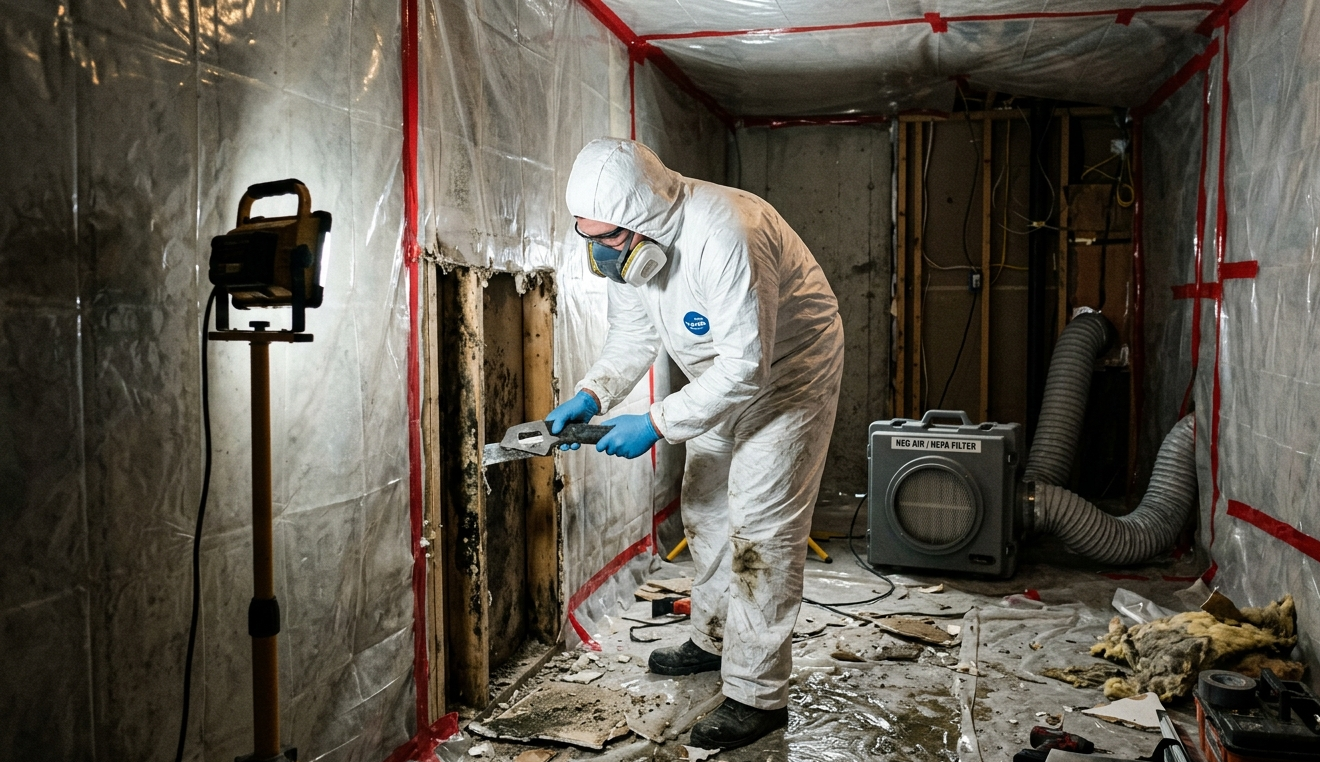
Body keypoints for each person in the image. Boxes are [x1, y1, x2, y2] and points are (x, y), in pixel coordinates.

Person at [547, 138, 844, 750]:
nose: (600, 250)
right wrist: (593, 393)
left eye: (609, 238)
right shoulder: (632, 248)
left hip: (788, 374)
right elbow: (633, 334)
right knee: (706, 507)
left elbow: (747, 370)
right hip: (717, 374)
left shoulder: (728, 231)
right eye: (588, 236)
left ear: (643, 217)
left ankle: (757, 694)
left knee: (761, 529)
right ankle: (712, 638)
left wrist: (655, 423)